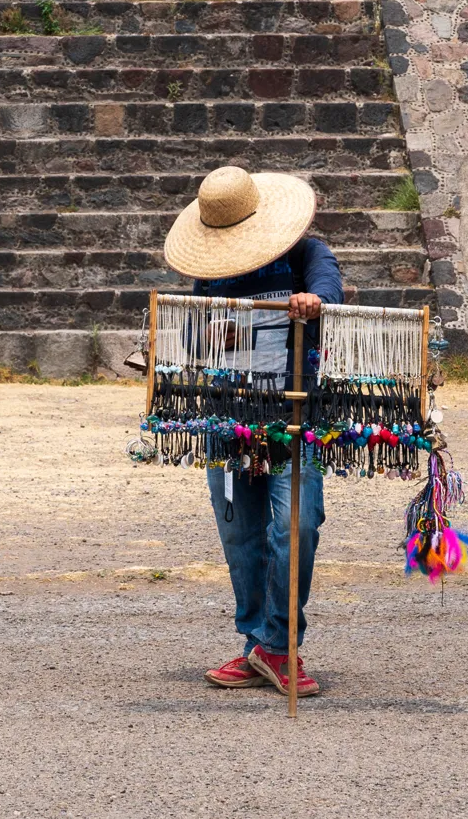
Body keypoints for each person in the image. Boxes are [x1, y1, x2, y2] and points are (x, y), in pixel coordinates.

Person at [160, 165, 343, 698]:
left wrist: (315, 303)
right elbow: (194, 337)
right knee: (241, 535)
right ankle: (262, 648)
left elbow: (330, 290)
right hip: (228, 416)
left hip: (293, 417)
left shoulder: (307, 255)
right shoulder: (212, 275)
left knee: (296, 526)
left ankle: (279, 646)